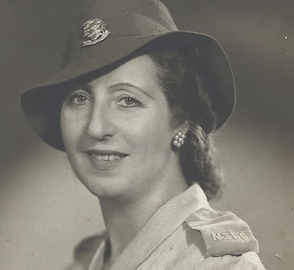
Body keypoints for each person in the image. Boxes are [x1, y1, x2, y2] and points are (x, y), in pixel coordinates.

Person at [21, 0, 265, 269]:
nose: (96, 127)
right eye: (79, 98)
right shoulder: (84, 264)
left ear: (181, 119)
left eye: (127, 100)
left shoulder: (219, 265)